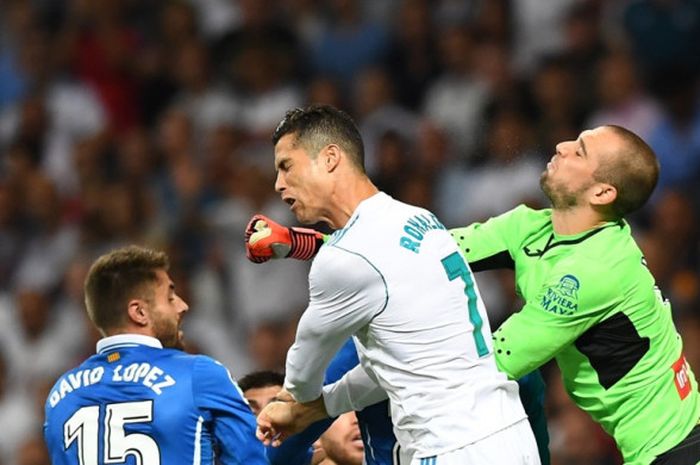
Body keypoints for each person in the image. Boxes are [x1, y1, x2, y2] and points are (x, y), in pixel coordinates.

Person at [249, 124, 700, 465]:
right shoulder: (529, 226)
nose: (562, 147)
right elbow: (407, 251)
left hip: (672, 443)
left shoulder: (592, 274)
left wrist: (322, 401)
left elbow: (482, 362)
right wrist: (299, 242)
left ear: (602, 191)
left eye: (579, 151)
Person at [252, 105, 540, 465]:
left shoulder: (344, 257)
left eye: (285, 166)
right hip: (509, 435)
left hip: (450, 447)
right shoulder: (421, 219)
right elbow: (393, 364)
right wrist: (322, 405)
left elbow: (303, 370)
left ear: (329, 158)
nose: (278, 184)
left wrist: (293, 404)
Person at [43, 245, 268, 465]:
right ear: (139, 312)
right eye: (170, 297)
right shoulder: (199, 376)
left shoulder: (60, 396)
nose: (183, 305)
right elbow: (253, 458)